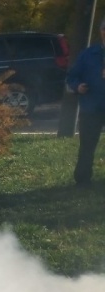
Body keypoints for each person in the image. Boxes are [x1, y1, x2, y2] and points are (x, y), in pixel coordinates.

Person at [67, 18, 105, 187]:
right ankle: (82, 180)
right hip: (92, 107)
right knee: (87, 146)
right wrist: (78, 86)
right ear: (101, 31)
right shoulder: (88, 54)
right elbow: (72, 77)